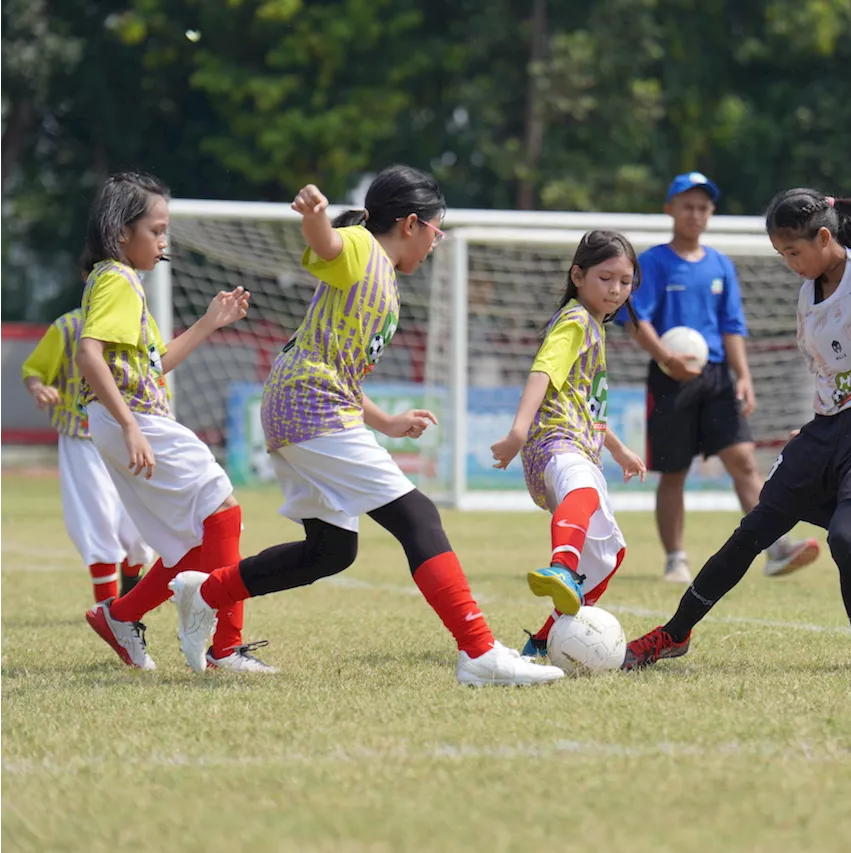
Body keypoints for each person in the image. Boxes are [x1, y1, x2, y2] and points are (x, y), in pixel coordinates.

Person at [168, 165, 564, 687]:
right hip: (308, 407)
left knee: (331, 550)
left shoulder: (387, 280)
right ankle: (479, 651)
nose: (436, 244)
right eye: (437, 232)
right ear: (410, 224)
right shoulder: (360, 245)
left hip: (305, 404)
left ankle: (207, 593)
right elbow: (328, 244)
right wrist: (314, 217)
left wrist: (385, 421)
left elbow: (343, 367)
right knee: (418, 516)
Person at [622, 188, 851, 672]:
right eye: (782, 254)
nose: (790, 262)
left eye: (793, 251)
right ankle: (674, 633)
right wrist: (813, 423)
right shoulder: (807, 295)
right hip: (827, 426)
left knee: (844, 537)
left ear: (821, 236)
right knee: (753, 531)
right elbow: (828, 371)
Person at [77, 172, 273, 673]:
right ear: (122, 232)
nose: (164, 241)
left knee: (197, 538)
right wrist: (129, 425)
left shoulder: (117, 279)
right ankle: (223, 648)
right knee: (224, 511)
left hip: (127, 417)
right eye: (156, 230)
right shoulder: (118, 279)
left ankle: (120, 616)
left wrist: (210, 322)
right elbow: (88, 355)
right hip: (132, 418)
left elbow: (152, 365)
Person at [617, 172, 820, 583]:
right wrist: (667, 358)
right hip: (669, 377)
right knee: (674, 471)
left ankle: (776, 547)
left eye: (703, 207)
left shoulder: (720, 265)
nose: (695, 214)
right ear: (670, 209)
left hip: (716, 377)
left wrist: (742, 376)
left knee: (744, 460)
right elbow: (635, 319)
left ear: (711, 213)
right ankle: (676, 558)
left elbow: (731, 326)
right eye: (687, 205)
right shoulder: (653, 262)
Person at [489, 230, 647, 657]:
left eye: (625, 281)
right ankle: (561, 567)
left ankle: (542, 643)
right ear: (578, 275)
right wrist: (518, 431)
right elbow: (542, 371)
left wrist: (616, 447)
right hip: (555, 442)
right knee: (584, 493)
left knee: (608, 556)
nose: (616, 289)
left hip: (578, 444)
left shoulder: (593, 327)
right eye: (605, 277)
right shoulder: (575, 321)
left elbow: (586, 404)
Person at [22, 253, 155, 603]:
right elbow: (35, 371)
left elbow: (156, 369)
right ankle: (107, 609)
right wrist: (40, 388)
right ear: (88, 279)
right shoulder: (68, 327)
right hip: (82, 438)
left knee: (138, 523)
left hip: (132, 436)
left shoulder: (141, 323)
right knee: (97, 520)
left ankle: (129, 600)